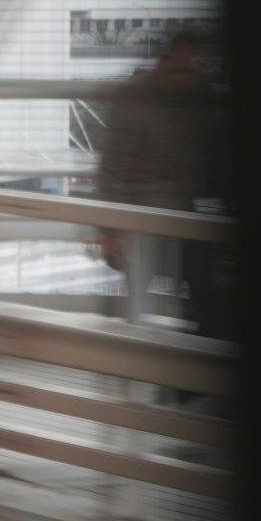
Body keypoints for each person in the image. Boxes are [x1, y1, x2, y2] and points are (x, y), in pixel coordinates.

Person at [94, 27, 232, 340]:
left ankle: (134, 357)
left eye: (190, 67)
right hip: (148, 213)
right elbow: (113, 167)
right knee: (196, 288)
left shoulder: (196, 98)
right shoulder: (189, 97)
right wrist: (112, 228)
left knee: (198, 292)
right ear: (163, 60)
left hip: (172, 212)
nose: (184, 74)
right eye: (179, 66)